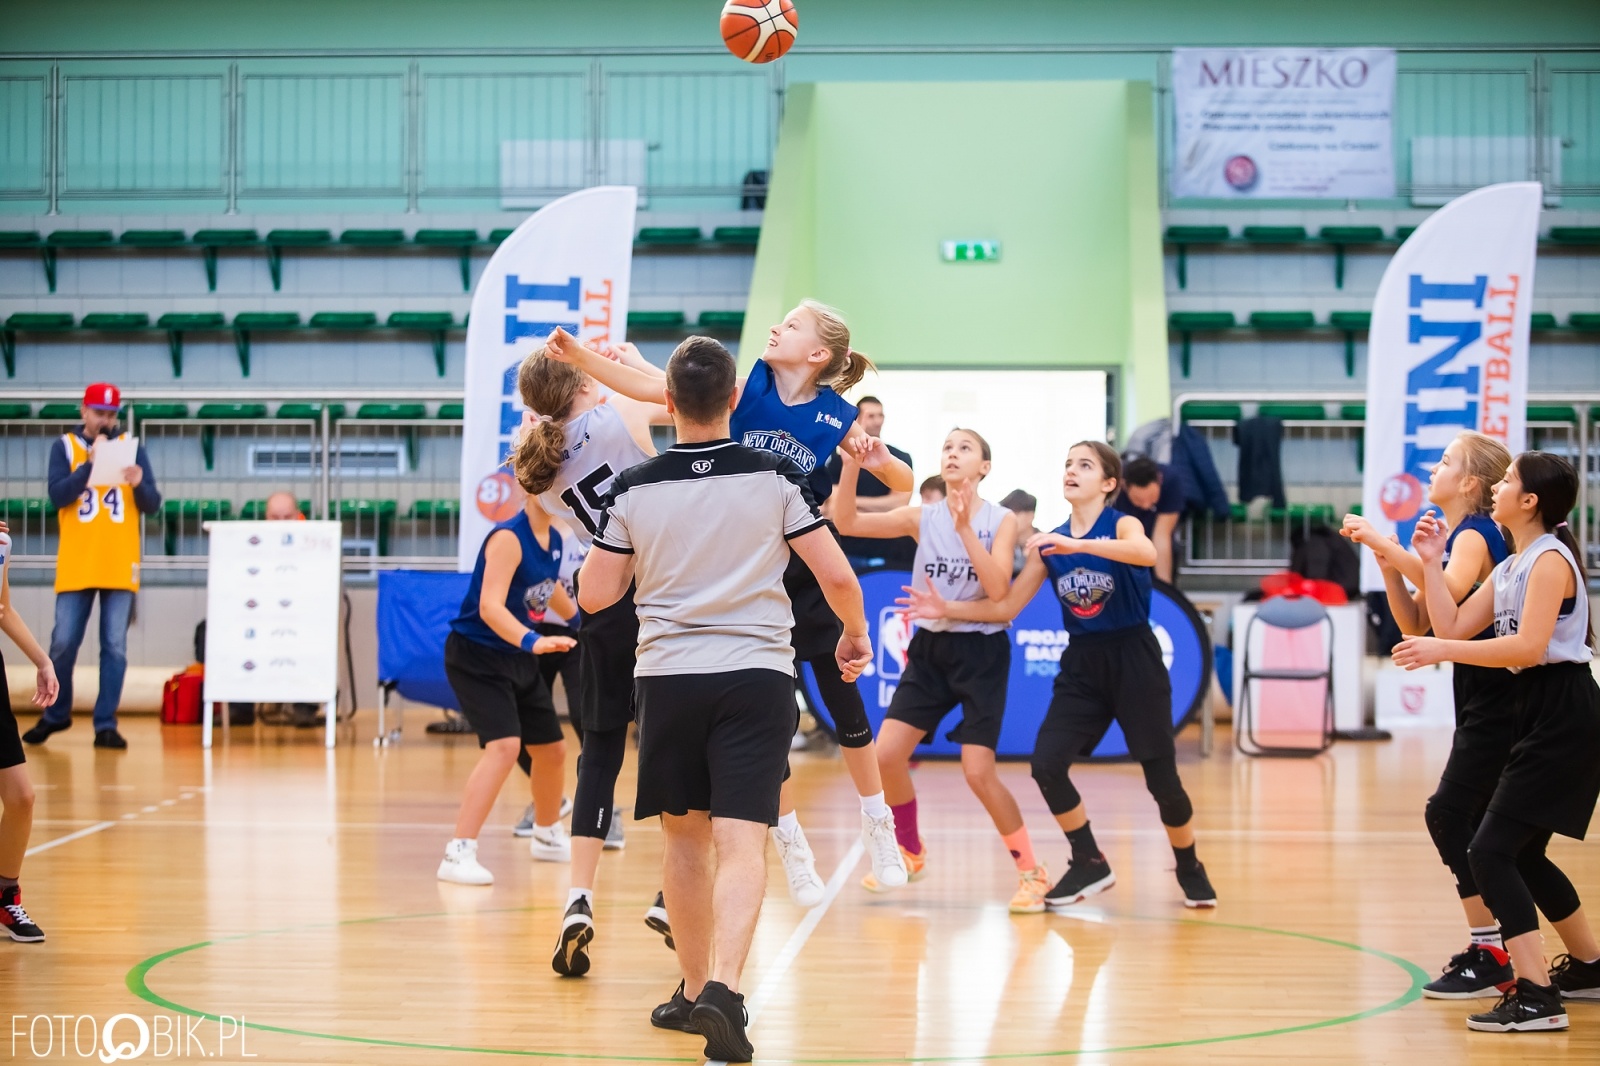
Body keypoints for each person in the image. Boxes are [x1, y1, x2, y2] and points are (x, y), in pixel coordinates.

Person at [547, 300, 914, 905]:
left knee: (845, 704)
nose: (775, 327)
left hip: (804, 556)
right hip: (754, 571)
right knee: (771, 712)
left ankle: (880, 825)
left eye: (790, 325)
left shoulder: (834, 415)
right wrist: (583, 357)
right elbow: (661, 389)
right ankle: (790, 842)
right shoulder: (750, 390)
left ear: (817, 354)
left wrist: (878, 459)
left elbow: (901, 481)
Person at [575, 336, 872, 1063]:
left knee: (684, 839)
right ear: (735, 400)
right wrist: (854, 635)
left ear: (666, 401)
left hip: (669, 678)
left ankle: (690, 988)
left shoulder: (633, 488)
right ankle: (724, 992)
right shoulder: (775, 477)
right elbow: (836, 577)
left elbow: (595, 595)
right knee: (742, 841)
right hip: (755, 677)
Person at [903, 442, 1217, 911]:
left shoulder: (1121, 525)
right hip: (1082, 664)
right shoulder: (1050, 543)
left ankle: (1189, 865)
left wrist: (1079, 545)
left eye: (1084, 465)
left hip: (1135, 659)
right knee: (1046, 765)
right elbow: (1006, 607)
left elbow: (1146, 552)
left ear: (1108, 483)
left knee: (1162, 781)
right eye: (1068, 464)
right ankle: (1088, 860)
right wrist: (945, 608)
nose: (1071, 470)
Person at [1395, 451, 1600, 1032]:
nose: (1497, 486)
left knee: (1489, 851)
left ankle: (1536, 996)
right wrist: (1429, 562)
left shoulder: (1550, 560)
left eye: (1508, 481)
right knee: (1522, 853)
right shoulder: (1512, 565)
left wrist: (1441, 650)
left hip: (1565, 712)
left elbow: (1529, 648)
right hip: (1536, 713)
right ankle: (1591, 967)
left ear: (1529, 501)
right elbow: (1451, 625)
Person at [510, 337, 673, 977]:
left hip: (601, 602)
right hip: (663, 594)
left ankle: (578, 897)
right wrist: (630, 361)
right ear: (582, 380)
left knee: (599, 752)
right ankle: (671, 890)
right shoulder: (617, 415)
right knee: (676, 741)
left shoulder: (543, 468)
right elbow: (687, 398)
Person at [836, 429, 1049, 910]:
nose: (953, 453)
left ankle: (1032, 871)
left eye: (965, 448)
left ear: (984, 467)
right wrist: (851, 466)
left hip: (981, 653)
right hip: (932, 649)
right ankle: (911, 851)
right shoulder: (923, 517)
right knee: (886, 756)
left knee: (978, 773)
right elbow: (846, 522)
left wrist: (965, 529)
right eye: (948, 447)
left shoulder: (1001, 520)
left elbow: (999, 590)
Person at [1341, 432, 1518, 998]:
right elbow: (1417, 623)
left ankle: (1492, 948)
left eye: (1444, 462)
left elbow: (1453, 590)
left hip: (1501, 696)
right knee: (1478, 826)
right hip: (1479, 693)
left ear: (1469, 483)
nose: (1432, 468)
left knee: (1449, 815)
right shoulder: (1455, 534)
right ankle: (1520, 950)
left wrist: (1382, 540)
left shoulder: (1476, 533)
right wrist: (1388, 564)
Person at [435, 489, 578, 886]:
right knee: (504, 748)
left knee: (552, 750)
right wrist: (533, 641)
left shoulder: (554, 539)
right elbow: (489, 607)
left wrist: (583, 623)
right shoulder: (508, 538)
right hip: (477, 657)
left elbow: (547, 588)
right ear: (532, 489)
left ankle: (547, 834)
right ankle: (458, 851)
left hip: (516, 657)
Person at [23, 383, 160, 751]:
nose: (106, 420)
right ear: (83, 411)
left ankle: (105, 724)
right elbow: (58, 495)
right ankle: (56, 714)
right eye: (100, 412)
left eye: (112, 414)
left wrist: (139, 483)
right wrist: (90, 464)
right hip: (78, 561)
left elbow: (152, 504)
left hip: (120, 561)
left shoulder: (131, 448)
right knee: (63, 642)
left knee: (114, 646)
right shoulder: (64, 447)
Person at [0, 522, 59, 942]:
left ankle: (6, 897)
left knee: (22, 797)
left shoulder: (1, 542)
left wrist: (42, 660)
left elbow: (3, 609)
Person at [825, 396, 914, 571]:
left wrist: (852, 504)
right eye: (871, 416)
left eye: (880, 415)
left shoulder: (898, 458)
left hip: (886, 549)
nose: (877, 421)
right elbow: (834, 509)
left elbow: (899, 503)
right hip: (848, 549)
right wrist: (881, 506)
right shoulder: (839, 460)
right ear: (857, 419)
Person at [1113, 457, 1185, 584]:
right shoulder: (1112, 486)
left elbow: (1162, 536)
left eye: (1152, 498)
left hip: (1155, 539)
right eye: (1139, 500)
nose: (1146, 505)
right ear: (1123, 486)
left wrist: (1165, 588)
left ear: (1160, 480)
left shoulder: (1171, 481)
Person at [999, 489, 1037, 575]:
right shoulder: (1002, 545)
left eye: (1014, 513)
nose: (1007, 518)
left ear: (1030, 516)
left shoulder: (1045, 544)